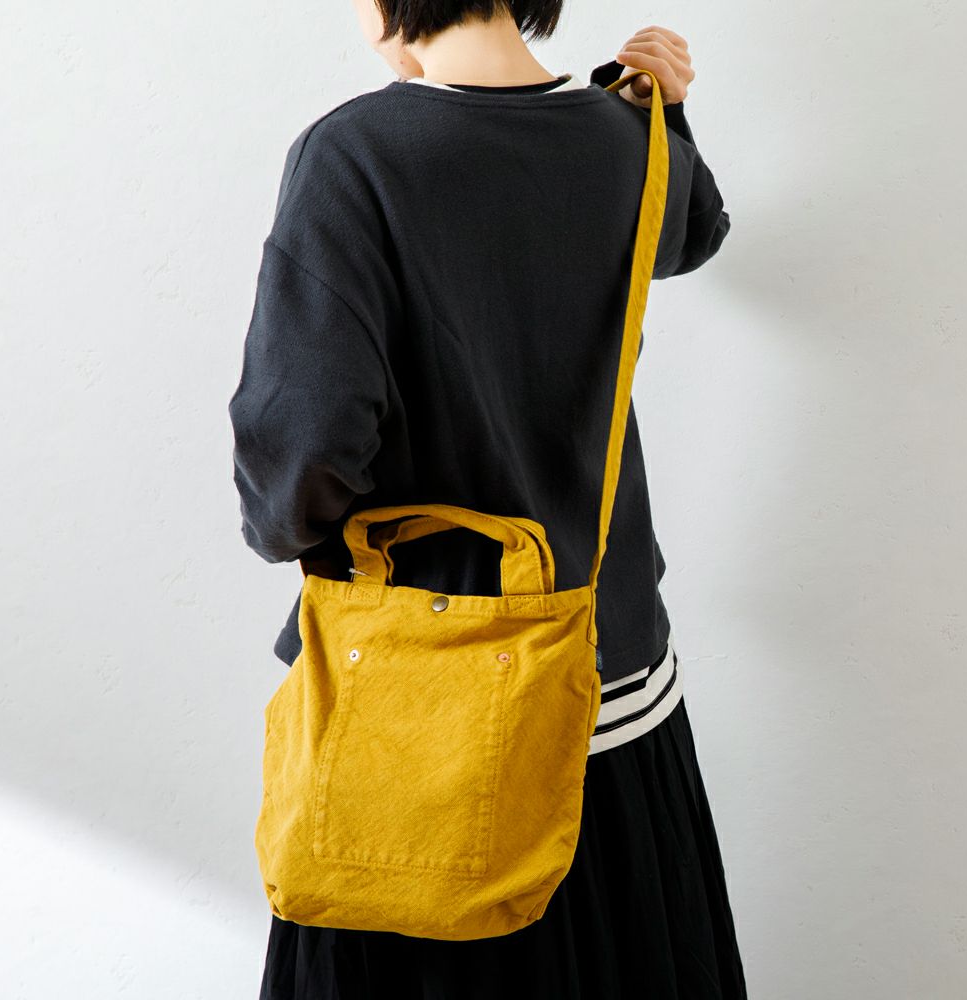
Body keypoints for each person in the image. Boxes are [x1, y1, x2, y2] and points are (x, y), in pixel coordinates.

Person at [228, 2, 748, 996]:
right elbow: (689, 233)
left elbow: (300, 454)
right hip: (618, 692)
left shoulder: (360, 154)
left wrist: (286, 525)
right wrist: (661, 112)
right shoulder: (619, 136)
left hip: (430, 717)